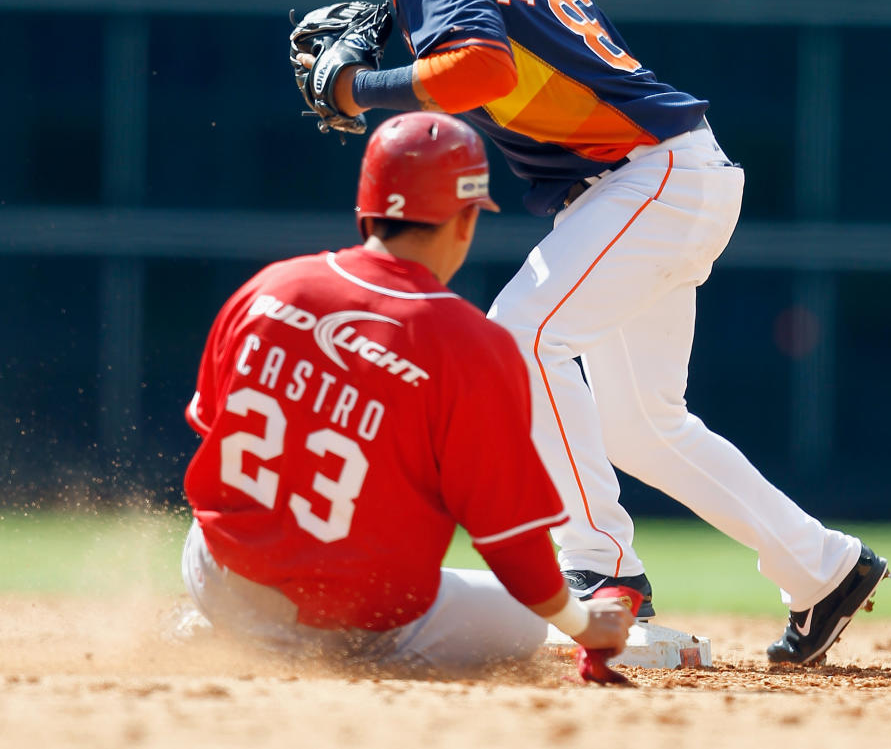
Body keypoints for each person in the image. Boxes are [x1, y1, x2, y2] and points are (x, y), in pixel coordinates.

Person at [293, 0, 890, 666]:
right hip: (662, 177)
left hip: (646, 177)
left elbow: (479, 72)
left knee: (519, 335)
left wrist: (359, 86)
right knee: (644, 425)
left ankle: (600, 571)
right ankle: (823, 567)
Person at [179, 111, 632, 673]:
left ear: (365, 209)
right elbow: (513, 542)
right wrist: (588, 625)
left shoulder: (270, 288)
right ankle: (321, 652)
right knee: (520, 621)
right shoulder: (469, 344)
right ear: (466, 220)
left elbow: (211, 430)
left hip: (218, 582)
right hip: (351, 624)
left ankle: (223, 629)